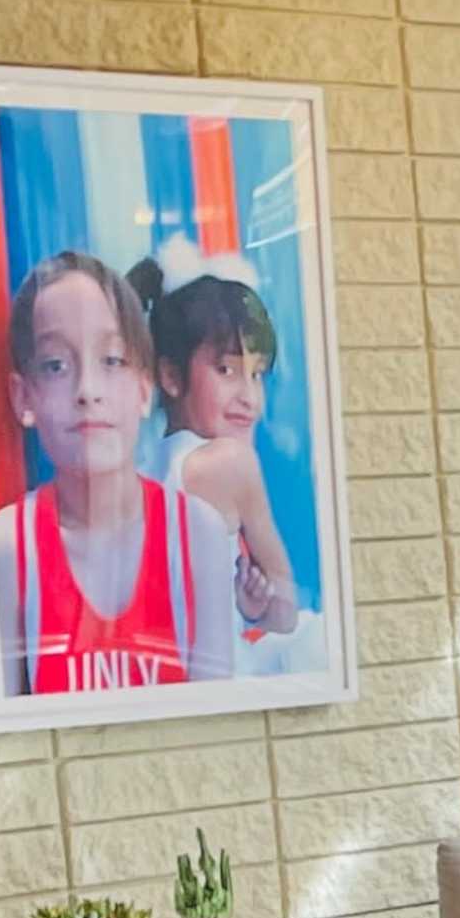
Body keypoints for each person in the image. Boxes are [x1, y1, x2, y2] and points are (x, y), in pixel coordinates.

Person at [0, 249, 257, 700]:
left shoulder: (196, 534)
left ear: (145, 388)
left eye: (112, 360)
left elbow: (214, 721)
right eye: (56, 366)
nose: (87, 391)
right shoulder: (4, 547)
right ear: (23, 397)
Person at [133, 253, 306, 655]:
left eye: (256, 374)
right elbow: (286, 613)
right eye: (227, 370)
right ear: (171, 375)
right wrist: (260, 610)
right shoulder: (231, 462)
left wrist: (245, 605)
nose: (249, 397)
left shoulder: (143, 467)